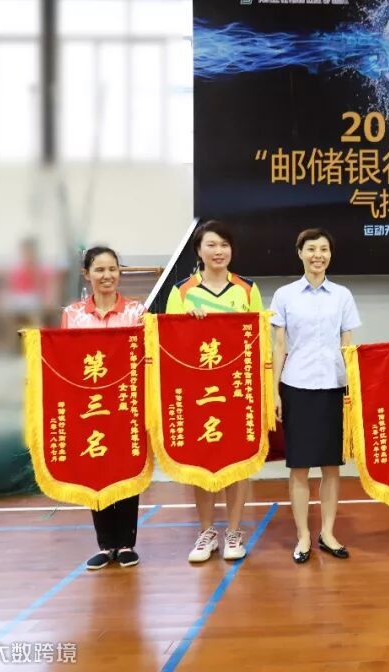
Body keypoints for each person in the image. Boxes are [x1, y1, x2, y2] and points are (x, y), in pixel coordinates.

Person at [166, 220, 264, 562]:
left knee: (238, 461)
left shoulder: (247, 290)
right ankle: (206, 532)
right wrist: (186, 325)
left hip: (237, 391)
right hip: (198, 392)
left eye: (224, 244)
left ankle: (234, 532)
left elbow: (260, 341)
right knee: (201, 461)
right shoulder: (181, 292)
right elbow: (170, 344)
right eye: (211, 244)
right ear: (198, 250)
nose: (218, 251)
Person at [269, 229, 360, 564]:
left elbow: (347, 345)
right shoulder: (285, 295)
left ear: (330, 255)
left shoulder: (342, 295)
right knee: (299, 467)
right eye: (311, 249)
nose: (317, 255)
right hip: (297, 385)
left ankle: (328, 533)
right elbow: (278, 346)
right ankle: (303, 535)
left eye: (324, 249)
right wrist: (275, 391)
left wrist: (353, 388)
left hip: (334, 385)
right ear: (300, 253)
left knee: (331, 466)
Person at [61, 246, 147, 570]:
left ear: (120, 273)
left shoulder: (137, 311)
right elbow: (64, 359)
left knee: (126, 468)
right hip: (89, 407)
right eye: (99, 269)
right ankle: (105, 543)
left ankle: (126, 543)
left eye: (112, 269)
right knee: (95, 468)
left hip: (126, 405)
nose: (107, 275)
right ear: (87, 274)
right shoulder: (73, 315)